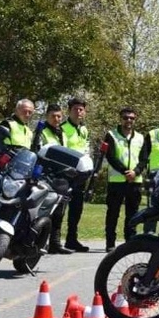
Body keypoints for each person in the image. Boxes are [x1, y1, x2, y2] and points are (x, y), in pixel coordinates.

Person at [30, 104, 73, 255]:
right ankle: (37, 242)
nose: (56, 119)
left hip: (61, 176)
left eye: (59, 116)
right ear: (47, 116)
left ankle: (55, 243)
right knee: (43, 210)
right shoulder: (42, 132)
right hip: (46, 175)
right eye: (53, 116)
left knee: (59, 211)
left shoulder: (62, 132)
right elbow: (37, 152)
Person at [101, 107, 144, 252]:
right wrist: (126, 172)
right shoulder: (111, 135)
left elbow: (144, 158)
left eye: (132, 118)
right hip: (117, 181)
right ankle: (110, 242)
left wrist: (136, 172)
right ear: (120, 118)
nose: (129, 120)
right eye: (126, 117)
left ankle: (130, 241)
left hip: (135, 181)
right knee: (113, 213)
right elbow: (110, 157)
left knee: (133, 213)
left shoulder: (140, 137)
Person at [61, 97, 92, 252]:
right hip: (66, 174)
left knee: (76, 209)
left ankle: (71, 239)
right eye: (75, 109)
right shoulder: (63, 128)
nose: (78, 112)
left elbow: (86, 150)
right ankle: (54, 240)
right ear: (69, 111)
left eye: (81, 109)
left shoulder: (84, 129)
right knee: (60, 208)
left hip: (81, 174)